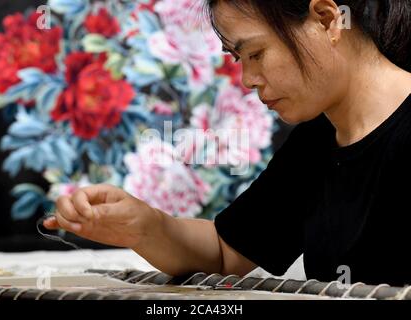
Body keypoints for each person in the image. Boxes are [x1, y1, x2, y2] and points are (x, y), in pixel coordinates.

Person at [44, 0, 411, 286]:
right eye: (237, 59)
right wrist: (144, 226)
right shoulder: (316, 142)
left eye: (255, 53)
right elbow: (225, 253)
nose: (248, 79)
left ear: (328, 19)